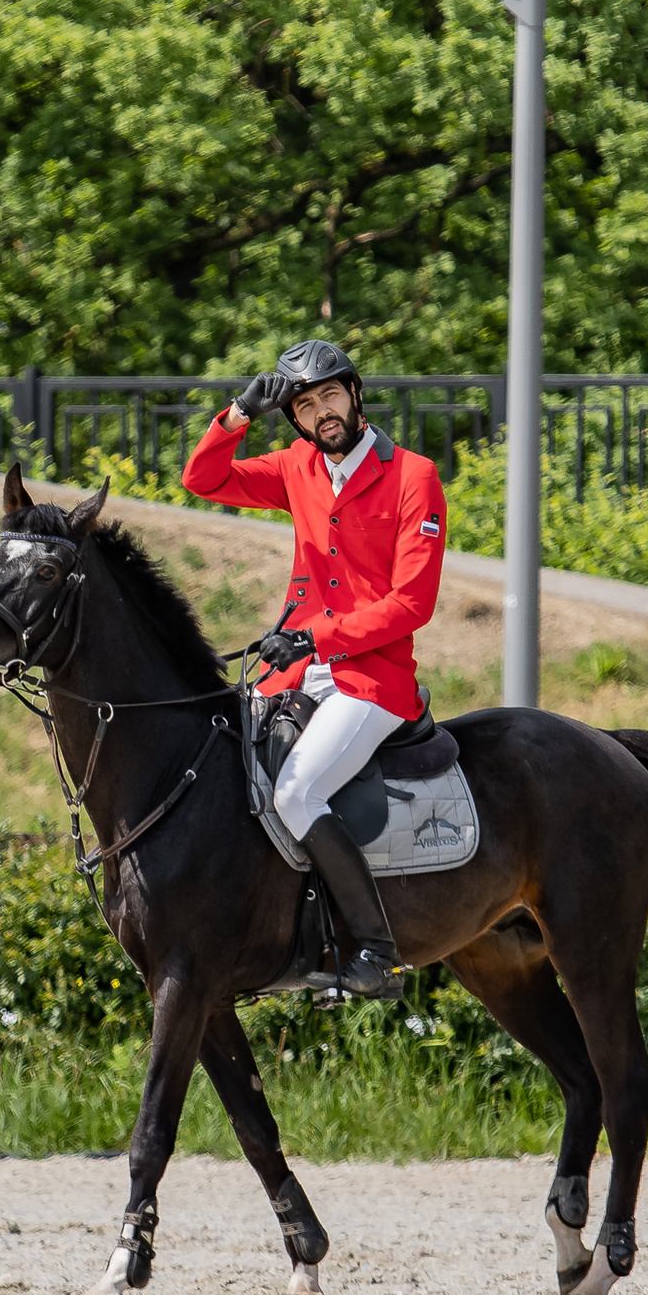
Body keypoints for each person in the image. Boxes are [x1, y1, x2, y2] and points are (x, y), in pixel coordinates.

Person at [179, 339, 447, 1000]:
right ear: (296, 419)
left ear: (355, 395)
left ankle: (377, 955)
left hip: (373, 681)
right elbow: (202, 479)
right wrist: (238, 413)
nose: (322, 412)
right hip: (294, 674)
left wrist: (313, 639)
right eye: (305, 404)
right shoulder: (297, 466)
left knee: (296, 793)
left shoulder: (414, 475)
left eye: (330, 395)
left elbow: (412, 603)